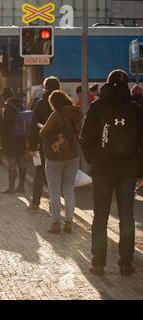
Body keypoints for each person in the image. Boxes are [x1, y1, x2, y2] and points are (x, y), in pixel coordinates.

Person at [80, 70, 143, 277]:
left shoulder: (97, 107)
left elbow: (85, 139)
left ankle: (98, 263)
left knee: (101, 216)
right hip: (128, 171)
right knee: (126, 217)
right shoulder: (135, 108)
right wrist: (140, 170)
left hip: (102, 170)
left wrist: (93, 161)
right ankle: (126, 264)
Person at [39, 90, 82, 234]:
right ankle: (69, 222)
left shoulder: (56, 114)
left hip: (55, 158)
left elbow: (43, 132)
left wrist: (42, 127)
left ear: (54, 103)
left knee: (55, 191)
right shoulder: (76, 113)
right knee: (69, 189)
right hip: (73, 155)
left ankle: (56, 223)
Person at [28, 76, 61, 213]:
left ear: (45, 88)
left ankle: (35, 204)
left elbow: (34, 126)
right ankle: (55, 206)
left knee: (39, 173)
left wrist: (32, 146)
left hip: (41, 146)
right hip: (60, 145)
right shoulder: (64, 105)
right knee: (57, 176)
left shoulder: (40, 104)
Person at [1, 91, 28, 195]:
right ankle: (21, 186)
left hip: (11, 139)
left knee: (12, 162)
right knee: (22, 161)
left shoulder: (8, 108)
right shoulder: (21, 107)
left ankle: (11, 188)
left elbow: (5, 125)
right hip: (21, 138)